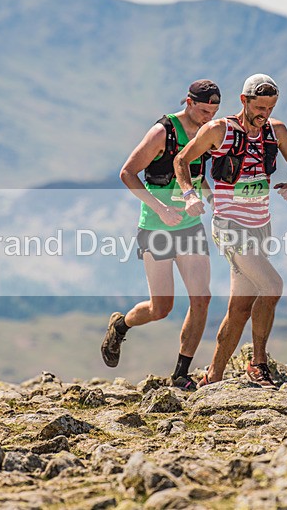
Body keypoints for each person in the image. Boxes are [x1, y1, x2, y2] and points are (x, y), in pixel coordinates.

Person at [173, 73, 287, 389]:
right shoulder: (219, 131)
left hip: (261, 226)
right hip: (230, 227)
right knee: (273, 285)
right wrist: (189, 192)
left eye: (270, 108)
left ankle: (213, 377)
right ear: (244, 100)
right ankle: (258, 363)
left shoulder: (277, 132)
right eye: (259, 107)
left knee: (240, 309)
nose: (265, 114)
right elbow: (182, 160)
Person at [101, 80, 221, 390]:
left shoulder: (208, 133)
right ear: (188, 102)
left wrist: (213, 200)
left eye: (214, 111)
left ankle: (181, 374)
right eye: (204, 110)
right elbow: (127, 172)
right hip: (155, 227)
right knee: (161, 308)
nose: (209, 116)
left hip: (189, 226)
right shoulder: (162, 133)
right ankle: (120, 324)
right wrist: (161, 209)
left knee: (202, 299)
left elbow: (198, 175)